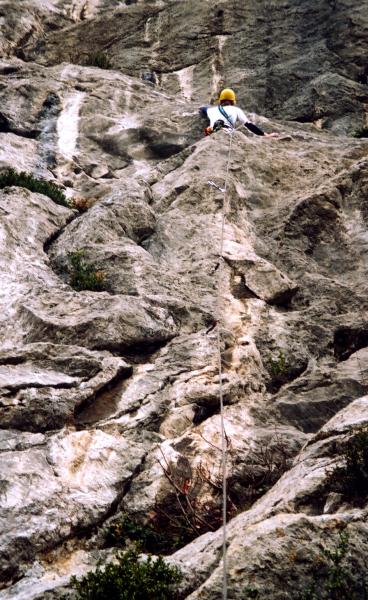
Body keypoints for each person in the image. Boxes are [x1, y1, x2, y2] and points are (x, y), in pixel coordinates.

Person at [203, 88, 279, 137]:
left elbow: (202, 110)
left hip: (212, 135)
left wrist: (205, 109)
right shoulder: (236, 110)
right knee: (227, 129)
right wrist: (266, 135)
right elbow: (249, 125)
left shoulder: (211, 110)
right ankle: (221, 127)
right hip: (226, 134)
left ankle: (213, 129)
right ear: (233, 101)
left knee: (211, 128)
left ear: (220, 101)